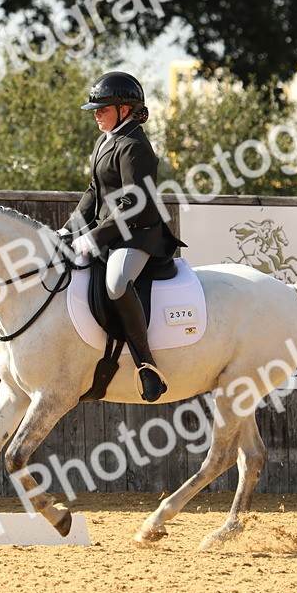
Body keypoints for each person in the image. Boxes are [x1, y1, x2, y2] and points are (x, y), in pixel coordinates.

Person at [58, 71, 182, 402]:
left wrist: (94, 238)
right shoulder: (106, 139)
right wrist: (70, 229)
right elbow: (93, 192)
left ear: (125, 109)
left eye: (103, 108)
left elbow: (133, 203)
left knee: (115, 283)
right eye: (95, 109)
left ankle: (147, 365)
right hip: (110, 232)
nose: (96, 114)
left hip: (138, 235)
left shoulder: (134, 147)